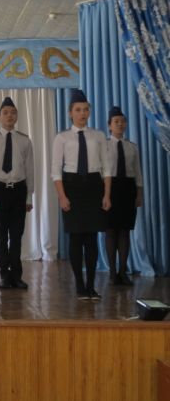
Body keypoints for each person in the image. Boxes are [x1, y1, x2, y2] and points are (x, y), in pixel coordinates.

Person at [51, 89, 111, 301]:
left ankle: (91, 285)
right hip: (72, 186)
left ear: (90, 112)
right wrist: (62, 196)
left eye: (85, 109)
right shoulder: (62, 137)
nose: (82, 113)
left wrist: (106, 194)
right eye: (78, 110)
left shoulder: (99, 136)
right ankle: (79, 284)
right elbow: (56, 171)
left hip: (94, 186)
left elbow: (106, 168)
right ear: (70, 113)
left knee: (92, 238)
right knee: (76, 238)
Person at [0, 97, 34, 290]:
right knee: (1, 236)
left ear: (17, 116)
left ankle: (17, 275)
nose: (9, 116)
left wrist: (29, 196)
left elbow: (30, 170)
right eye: (5, 113)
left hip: (19, 191)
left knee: (16, 235)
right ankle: (4, 274)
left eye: (13, 112)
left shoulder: (24, 140)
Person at [105, 106, 143, 286]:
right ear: (109, 125)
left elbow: (137, 173)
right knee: (111, 231)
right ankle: (112, 272)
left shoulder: (132, 147)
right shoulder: (104, 146)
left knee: (125, 231)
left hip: (128, 189)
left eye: (122, 121)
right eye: (116, 121)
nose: (120, 124)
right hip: (109, 188)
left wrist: (139, 194)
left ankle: (123, 271)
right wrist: (103, 195)